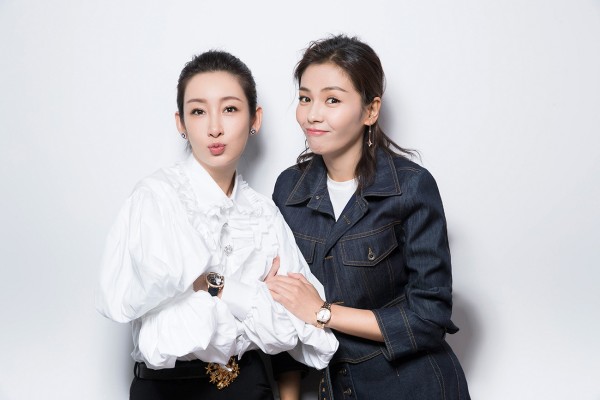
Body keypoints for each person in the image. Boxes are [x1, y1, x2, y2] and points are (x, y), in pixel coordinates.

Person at [95, 50, 338, 400]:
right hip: (168, 390)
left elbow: (301, 331)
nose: (214, 128)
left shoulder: (264, 215)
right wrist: (256, 299)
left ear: (255, 119)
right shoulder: (156, 198)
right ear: (181, 123)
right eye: (198, 111)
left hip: (249, 385)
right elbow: (154, 324)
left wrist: (213, 285)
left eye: (230, 109)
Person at [267, 35, 471, 399]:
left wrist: (322, 312)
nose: (313, 114)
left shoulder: (410, 187)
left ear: (370, 110)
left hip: (413, 386)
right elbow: (280, 307)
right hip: (336, 388)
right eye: (305, 98)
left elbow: (430, 317)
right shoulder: (289, 190)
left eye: (332, 99)